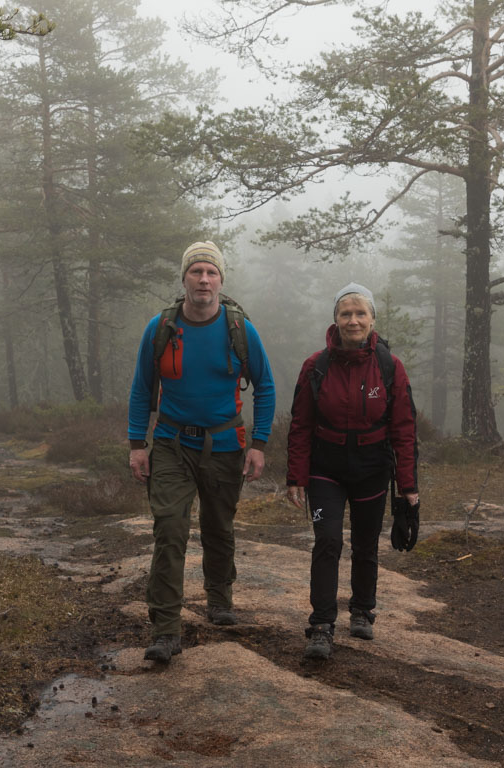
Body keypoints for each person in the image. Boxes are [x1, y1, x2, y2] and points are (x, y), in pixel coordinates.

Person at [127, 241, 276, 663]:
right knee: (170, 529)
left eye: (211, 272)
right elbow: (142, 390)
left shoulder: (239, 330)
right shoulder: (160, 329)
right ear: (184, 278)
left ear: (221, 280)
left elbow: (265, 386)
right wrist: (138, 445)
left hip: (226, 445)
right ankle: (166, 630)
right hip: (172, 445)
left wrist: (259, 444)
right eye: (196, 272)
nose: (204, 280)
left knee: (218, 525)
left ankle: (219, 598)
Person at [285, 282, 418, 660]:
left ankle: (362, 611)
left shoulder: (390, 367)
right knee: (327, 540)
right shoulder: (316, 366)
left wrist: (408, 485)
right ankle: (322, 625)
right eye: (346, 313)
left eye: (361, 313)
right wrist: (296, 475)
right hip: (325, 468)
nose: (354, 320)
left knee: (365, 542)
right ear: (335, 320)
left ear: (373, 319)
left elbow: (405, 428)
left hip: (373, 468)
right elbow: (300, 424)